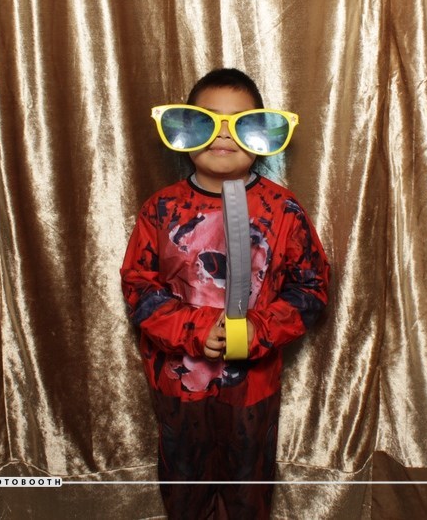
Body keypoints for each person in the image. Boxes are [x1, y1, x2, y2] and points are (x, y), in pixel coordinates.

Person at [121, 68, 330, 519]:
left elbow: (311, 287)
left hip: (252, 388)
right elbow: (139, 287)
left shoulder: (284, 210)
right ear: (185, 129)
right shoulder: (161, 209)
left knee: (247, 487)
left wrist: (260, 329)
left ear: (261, 134)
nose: (223, 135)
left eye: (239, 123)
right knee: (185, 487)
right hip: (179, 385)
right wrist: (195, 329)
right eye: (208, 121)